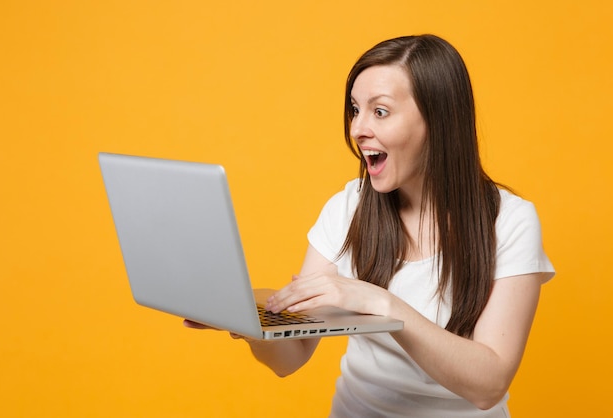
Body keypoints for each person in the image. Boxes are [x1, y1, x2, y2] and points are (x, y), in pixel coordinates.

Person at [185, 34, 555, 417]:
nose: (357, 129)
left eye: (379, 112)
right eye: (355, 109)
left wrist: (381, 304)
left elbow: (488, 385)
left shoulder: (509, 222)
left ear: (438, 120)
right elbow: (290, 357)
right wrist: (247, 325)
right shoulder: (348, 208)